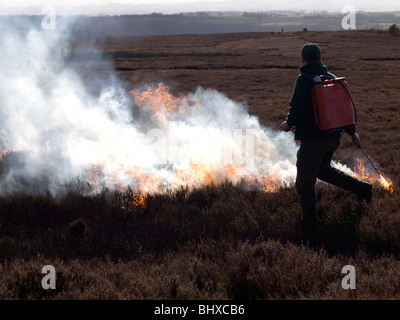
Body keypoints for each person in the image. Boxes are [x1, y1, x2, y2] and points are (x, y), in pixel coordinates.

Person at [281, 42, 372, 243]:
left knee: (304, 185)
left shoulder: (304, 79)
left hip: (313, 141)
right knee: (323, 170)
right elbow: (342, 109)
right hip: (333, 138)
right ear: (320, 59)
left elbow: (296, 107)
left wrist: (288, 123)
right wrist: (352, 133)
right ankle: (362, 188)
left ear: (303, 59)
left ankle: (310, 231)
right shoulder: (331, 79)